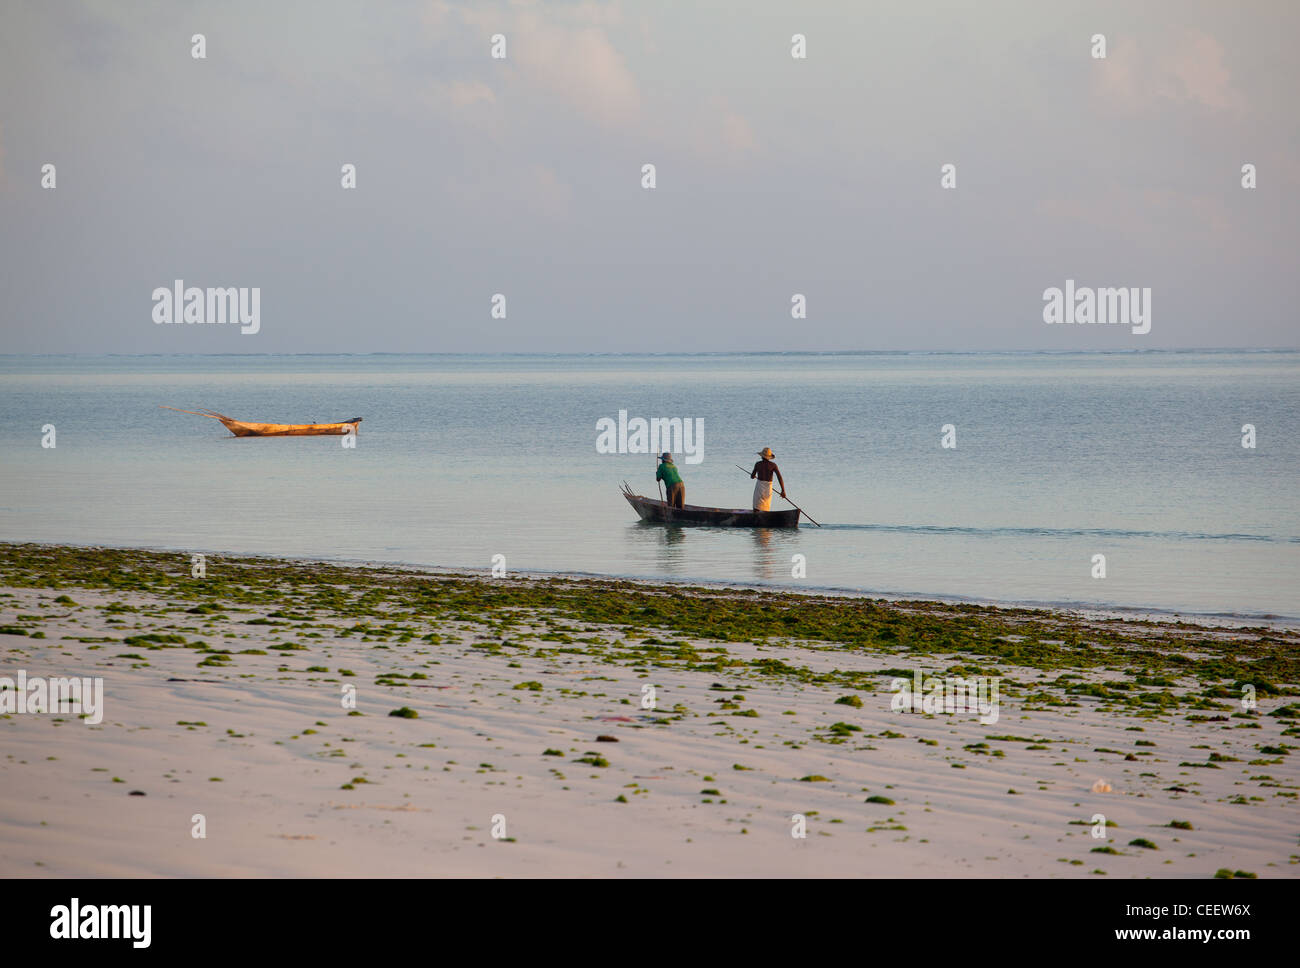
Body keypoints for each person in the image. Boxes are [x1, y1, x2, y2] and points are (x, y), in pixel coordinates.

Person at [750, 447, 786, 511]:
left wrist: (753, 476)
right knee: (766, 506)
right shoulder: (773, 465)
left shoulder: (758, 464)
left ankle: (756, 516)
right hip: (768, 487)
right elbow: (779, 477)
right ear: (769, 457)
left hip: (759, 486)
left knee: (756, 506)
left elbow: (752, 476)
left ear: (762, 456)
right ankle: (765, 516)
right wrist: (783, 490)